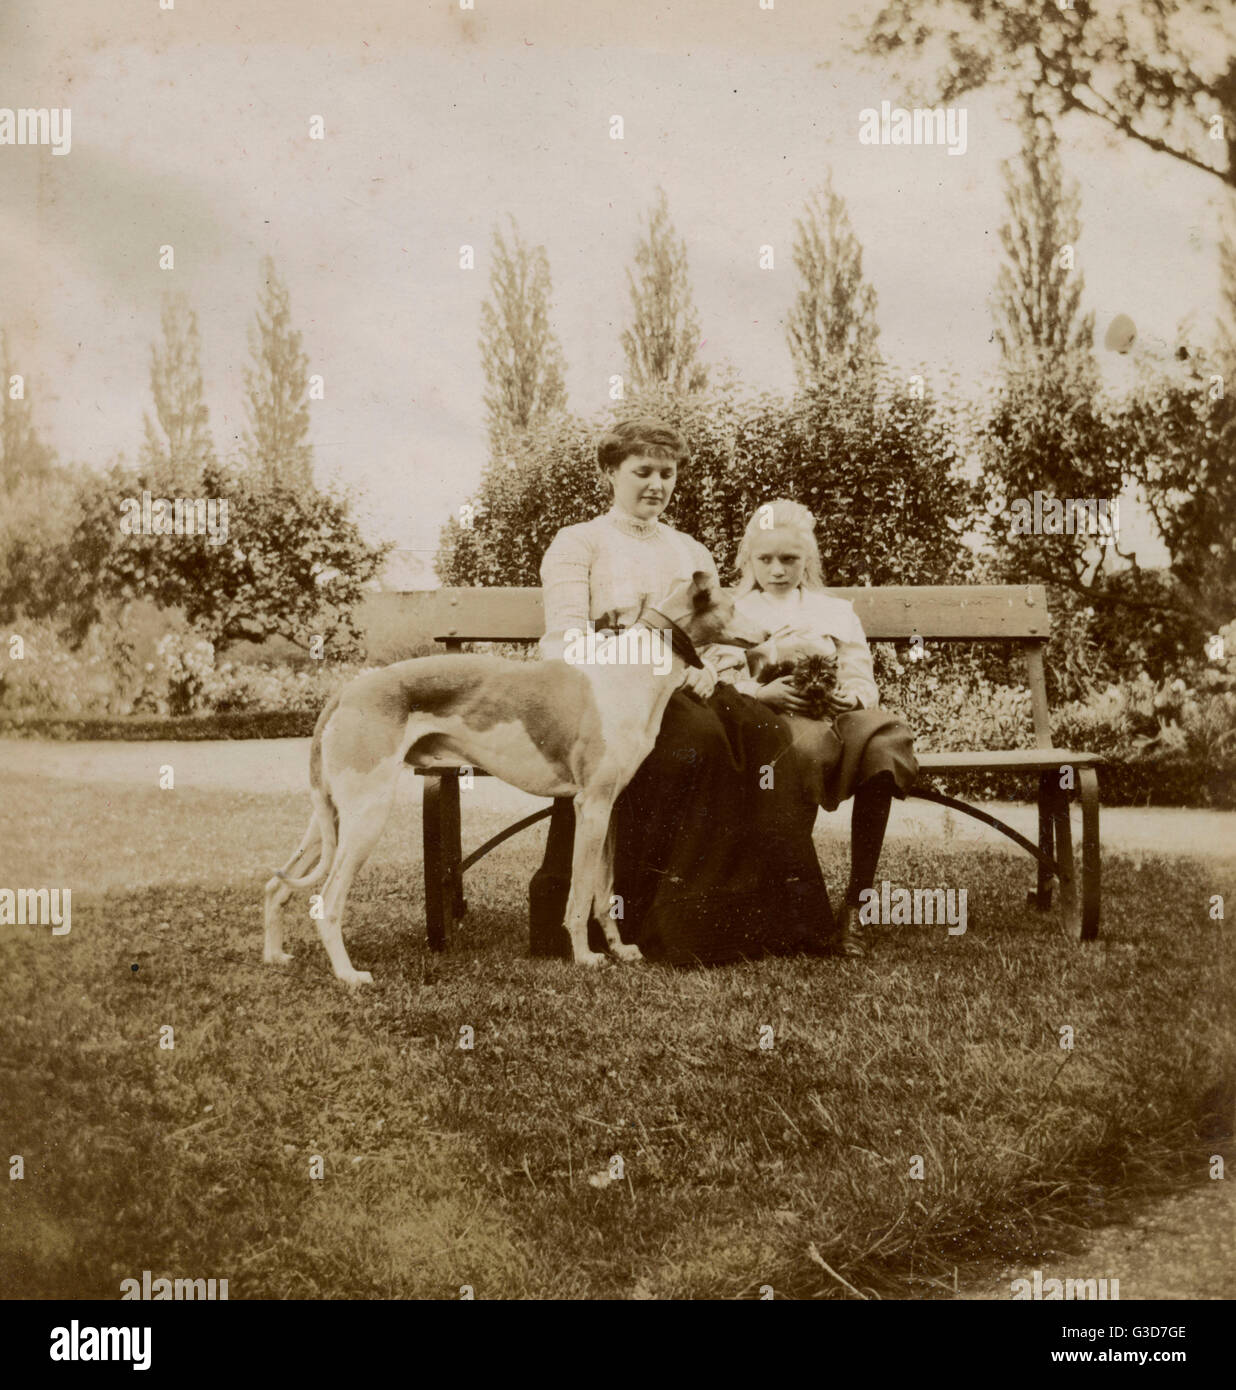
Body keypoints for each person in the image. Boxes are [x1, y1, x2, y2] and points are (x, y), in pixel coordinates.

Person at [537, 419, 837, 965]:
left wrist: (712, 673)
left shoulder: (690, 549)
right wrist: (654, 665)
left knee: (767, 732)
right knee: (697, 740)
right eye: (641, 471)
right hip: (608, 696)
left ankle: (766, 920)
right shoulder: (578, 542)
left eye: (667, 473)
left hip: (685, 685)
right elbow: (565, 641)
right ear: (610, 473)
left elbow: (715, 636)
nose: (656, 483)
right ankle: (669, 922)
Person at [708, 499, 918, 955]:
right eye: (765, 559)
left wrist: (853, 695)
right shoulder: (732, 609)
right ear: (748, 561)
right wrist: (758, 692)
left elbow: (861, 674)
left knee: (885, 745)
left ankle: (856, 906)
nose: (778, 570)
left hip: (839, 716)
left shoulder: (834, 611)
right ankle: (793, 906)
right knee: (797, 751)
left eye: (790, 559)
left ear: (808, 561)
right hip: (771, 719)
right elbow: (715, 678)